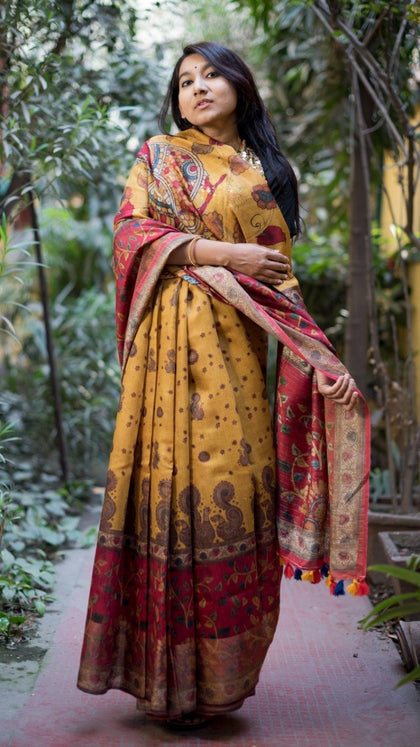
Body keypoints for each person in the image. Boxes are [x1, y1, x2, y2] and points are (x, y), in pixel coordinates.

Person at [77, 41, 370, 729]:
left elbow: (280, 283)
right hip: (161, 359)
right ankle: (157, 681)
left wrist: (322, 363)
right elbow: (130, 235)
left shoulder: (269, 172)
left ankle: (218, 681)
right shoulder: (158, 155)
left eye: (211, 74)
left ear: (241, 84)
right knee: (159, 498)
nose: (198, 87)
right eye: (185, 81)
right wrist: (222, 253)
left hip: (234, 360)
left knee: (231, 500)